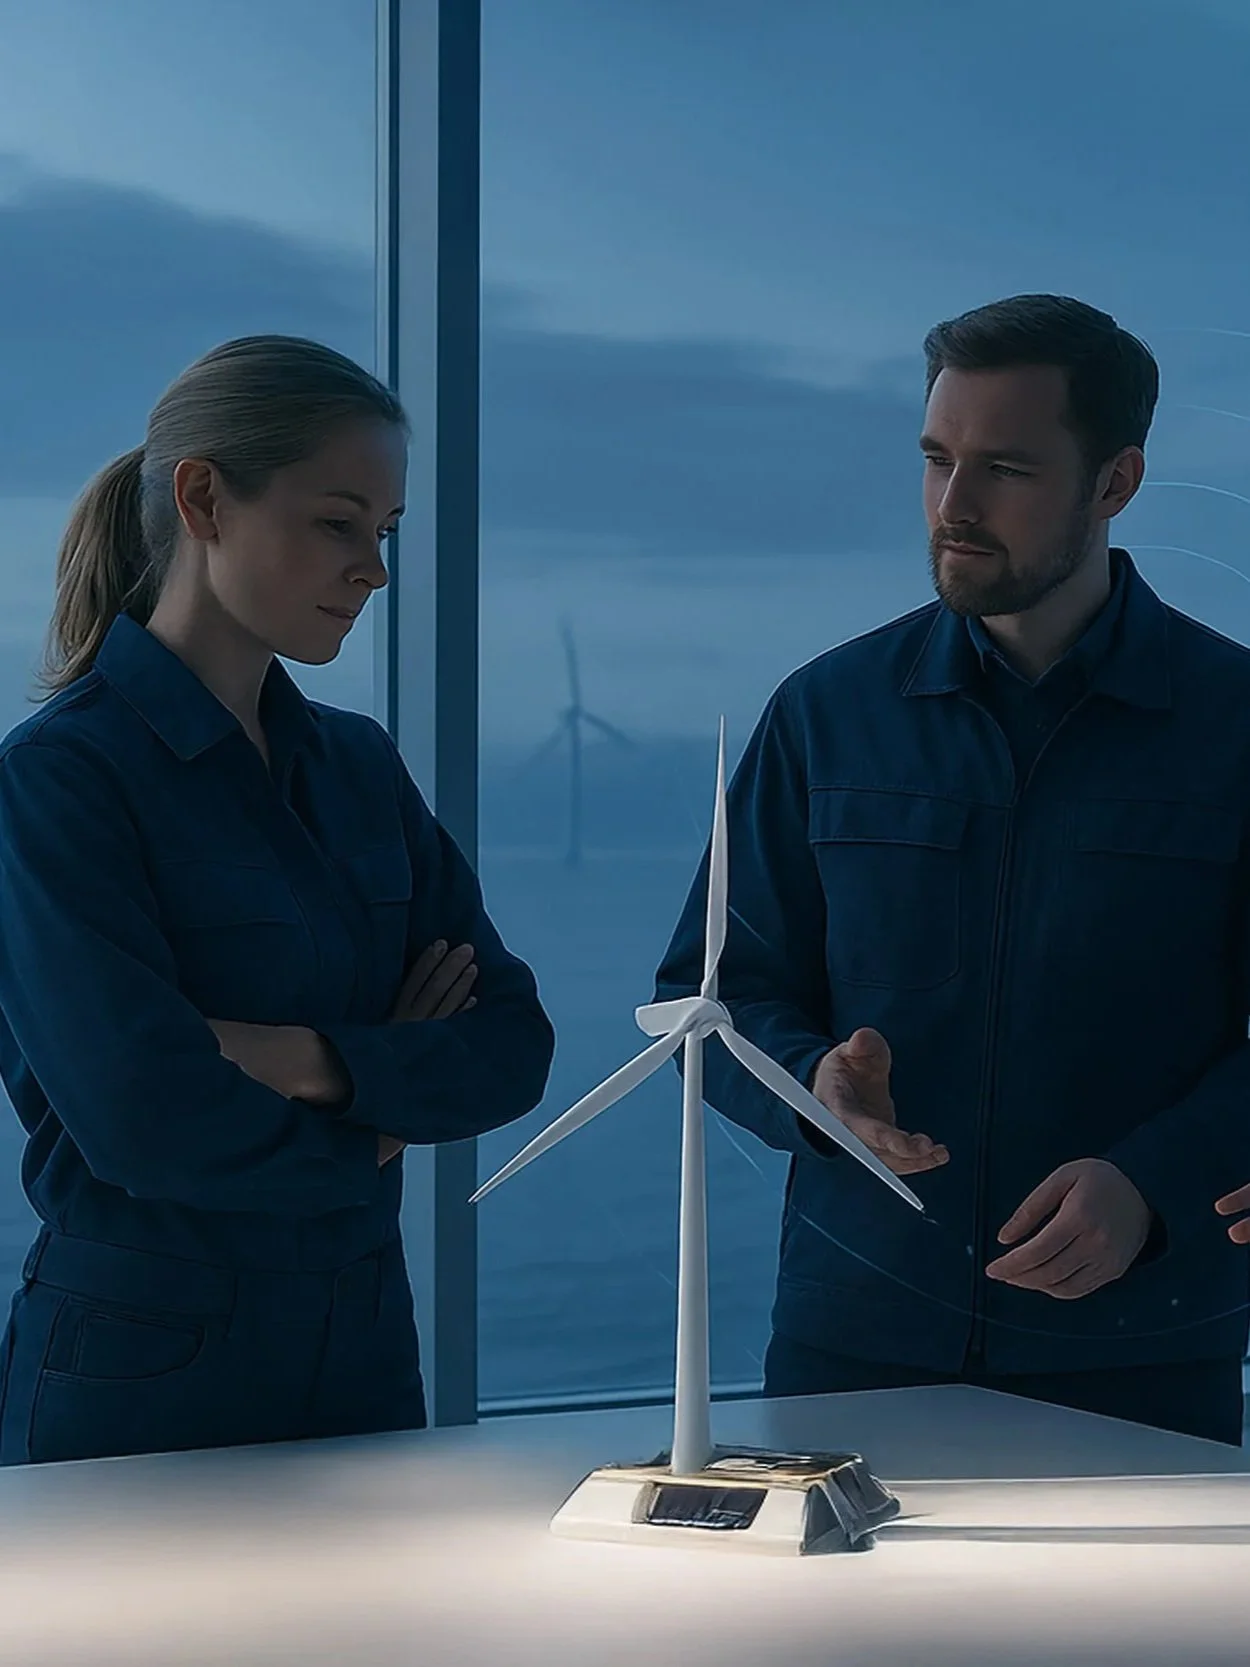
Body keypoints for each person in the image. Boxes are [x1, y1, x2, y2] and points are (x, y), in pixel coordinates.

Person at [655, 294, 1250, 1446]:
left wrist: (1152, 1183)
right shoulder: (824, 713)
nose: (952, 506)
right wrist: (813, 1088)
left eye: (1005, 469)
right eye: (935, 459)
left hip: (1145, 1344)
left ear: (1114, 481)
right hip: (851, 1340)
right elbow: (707, 1000)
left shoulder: (1235, 724)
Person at [0, 335, 554, 1465]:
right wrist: (387, 1113)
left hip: (365, 1350)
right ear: (204, 498)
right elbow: (143, 1118)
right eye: (337, 523)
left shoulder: (357, 765)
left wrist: (307, 1060)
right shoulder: (57, 781)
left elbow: (511, 1042)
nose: (375, 571)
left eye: (385, 533)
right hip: (140, 1371)